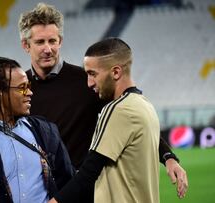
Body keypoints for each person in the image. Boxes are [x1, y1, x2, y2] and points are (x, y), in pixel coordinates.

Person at [18, 2, 188, 198]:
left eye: (52, 41)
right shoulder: (17, 89)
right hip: (40, 191)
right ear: (26, 45)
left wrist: (168, 157)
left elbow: (133, 121)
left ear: (60, 41)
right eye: (40, 42)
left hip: (83, 191)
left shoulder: (89, 82)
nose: (48, 49)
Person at [49, 37, 160, 203]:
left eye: (93, 74)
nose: (89, 83)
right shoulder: (145, 105)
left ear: (115, 72)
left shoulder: (117, 109)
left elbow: (88, 173)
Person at [0, 57, 74, 203]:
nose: (30, 93)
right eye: (22, 88)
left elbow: (68, 182)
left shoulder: (46, 130)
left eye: (28, 86)